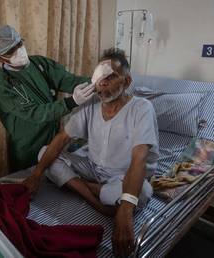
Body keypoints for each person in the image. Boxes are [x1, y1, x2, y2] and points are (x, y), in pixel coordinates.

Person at [22, 48, 159, 257]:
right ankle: (93, 196)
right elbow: (62, 139)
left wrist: (125, 211)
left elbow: (139, 160)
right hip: (93, 168)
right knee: (44, 154)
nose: (103, 83)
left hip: (124, 175)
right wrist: (35, 175)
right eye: (100, 77)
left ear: (127, 82)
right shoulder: (91, 105)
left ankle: (81, 187)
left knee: (142, 193)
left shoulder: (142, 109)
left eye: (111, 77)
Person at [0, 25, 95, 172]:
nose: (19, 51)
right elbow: (33, 113)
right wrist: (72, 102)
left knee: (57, 178)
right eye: (11, 51)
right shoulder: (2, 82)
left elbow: (68, 80)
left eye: (19, 44)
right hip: (28, 145)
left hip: (53, 137)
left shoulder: (40, 64)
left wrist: (98, 81)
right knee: (30, 182)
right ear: (0, 58)